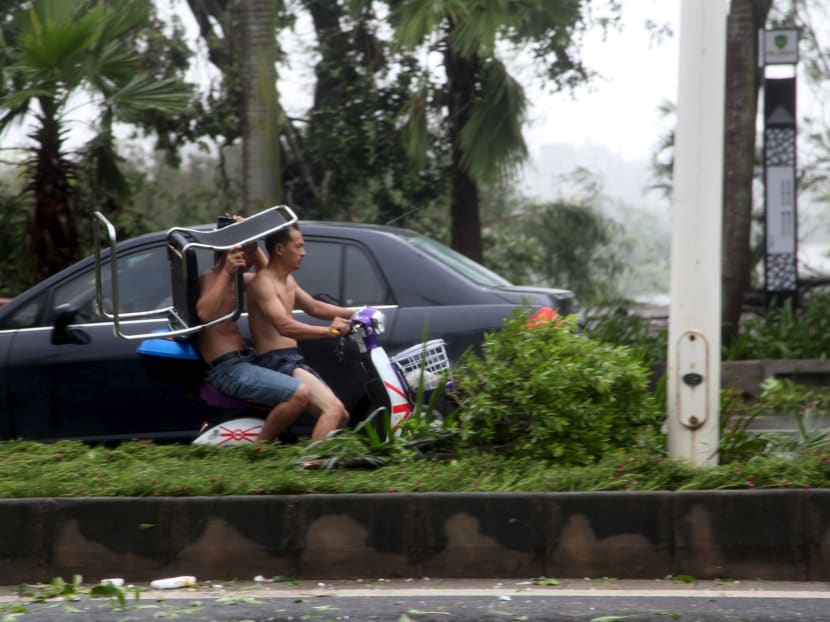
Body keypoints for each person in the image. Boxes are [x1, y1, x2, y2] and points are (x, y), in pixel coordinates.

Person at [195, 216, 311, 443]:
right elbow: (205, 314)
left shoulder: (239, 280)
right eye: (246, 250)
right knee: (299, 395)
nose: (250, 255)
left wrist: (253, 241)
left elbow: (269, 277)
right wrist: (227, 270)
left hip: (244, 360)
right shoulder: (212, 278)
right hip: (227, 368)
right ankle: (259, 451)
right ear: (231, 252)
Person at [246, 224, 353, 441]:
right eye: (299, 246)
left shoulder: (286, 279)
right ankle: (310, 465)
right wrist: (329, 331)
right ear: (279, 250)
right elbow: (284, 326)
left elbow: (314, 307)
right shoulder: (263, 284)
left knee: (341, 416)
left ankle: (318, 461)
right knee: (332, 409)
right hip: (277, 361)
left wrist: (356, 313)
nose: (304, 252)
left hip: (293, 358)